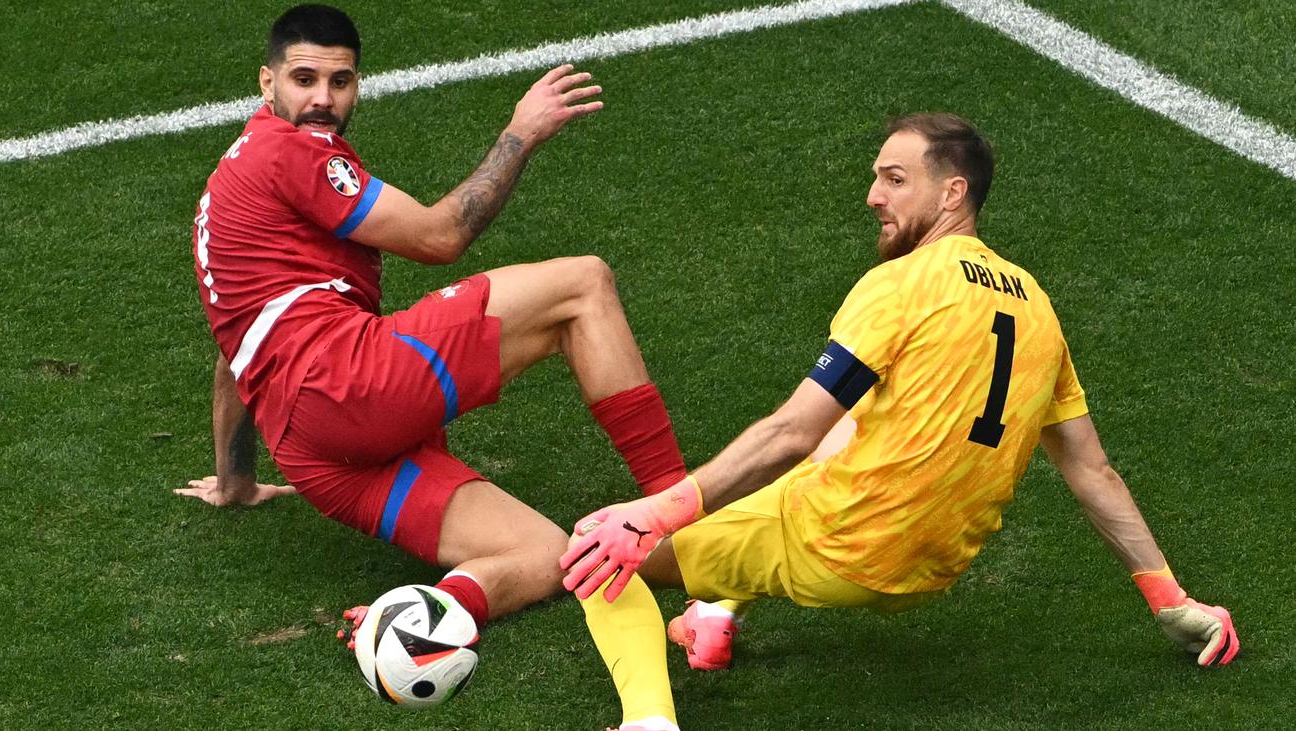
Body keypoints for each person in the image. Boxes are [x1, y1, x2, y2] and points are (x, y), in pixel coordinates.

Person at [559, 113, 1239, 731]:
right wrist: (1169, 597)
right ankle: (715, 612)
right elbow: (1091, 469)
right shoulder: (1037, 306)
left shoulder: (900, 285)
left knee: (598, 547)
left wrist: (655, 512)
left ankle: (648, 722)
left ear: (952, 193)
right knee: (855, 419)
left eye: (894, 179)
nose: (872, 196)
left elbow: (791, 432)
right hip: (933, 567)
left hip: (843, 545)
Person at [176, 4, 690, 652]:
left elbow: (235, 352)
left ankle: (411, 618)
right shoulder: (293, 154)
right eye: (304, 80)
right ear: (267, 81)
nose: (323, 99)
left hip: (313, 454)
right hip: (348, 386)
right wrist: (522, 132)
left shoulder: (230, 179)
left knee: (543, 551)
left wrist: (235, 483)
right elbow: (440, 236)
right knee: (583, 285)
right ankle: (683, 521)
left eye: (340, 82)